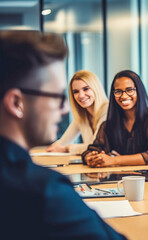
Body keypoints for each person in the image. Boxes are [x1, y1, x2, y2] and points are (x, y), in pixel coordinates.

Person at [0, 30, 126, 239]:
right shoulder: (44, 193)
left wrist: (65, 147)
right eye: (58, 97)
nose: (66, 108)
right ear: (16, 103)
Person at [81, 70, 148, 167]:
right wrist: (91, 158)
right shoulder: (108, 125)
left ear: (139, 90)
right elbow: (93, 149)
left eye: (129, 90)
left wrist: (115, 160)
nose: (124, 96)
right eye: (118, 91)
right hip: (119, 178)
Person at [46, 70, 108, 154]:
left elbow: (96, 146)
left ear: (95, 88)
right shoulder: (82, 115)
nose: (81, 95)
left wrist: (67, 148)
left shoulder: (108, 110)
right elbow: (63, 142)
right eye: (76, 92)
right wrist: (52, 148)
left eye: (86, 89)